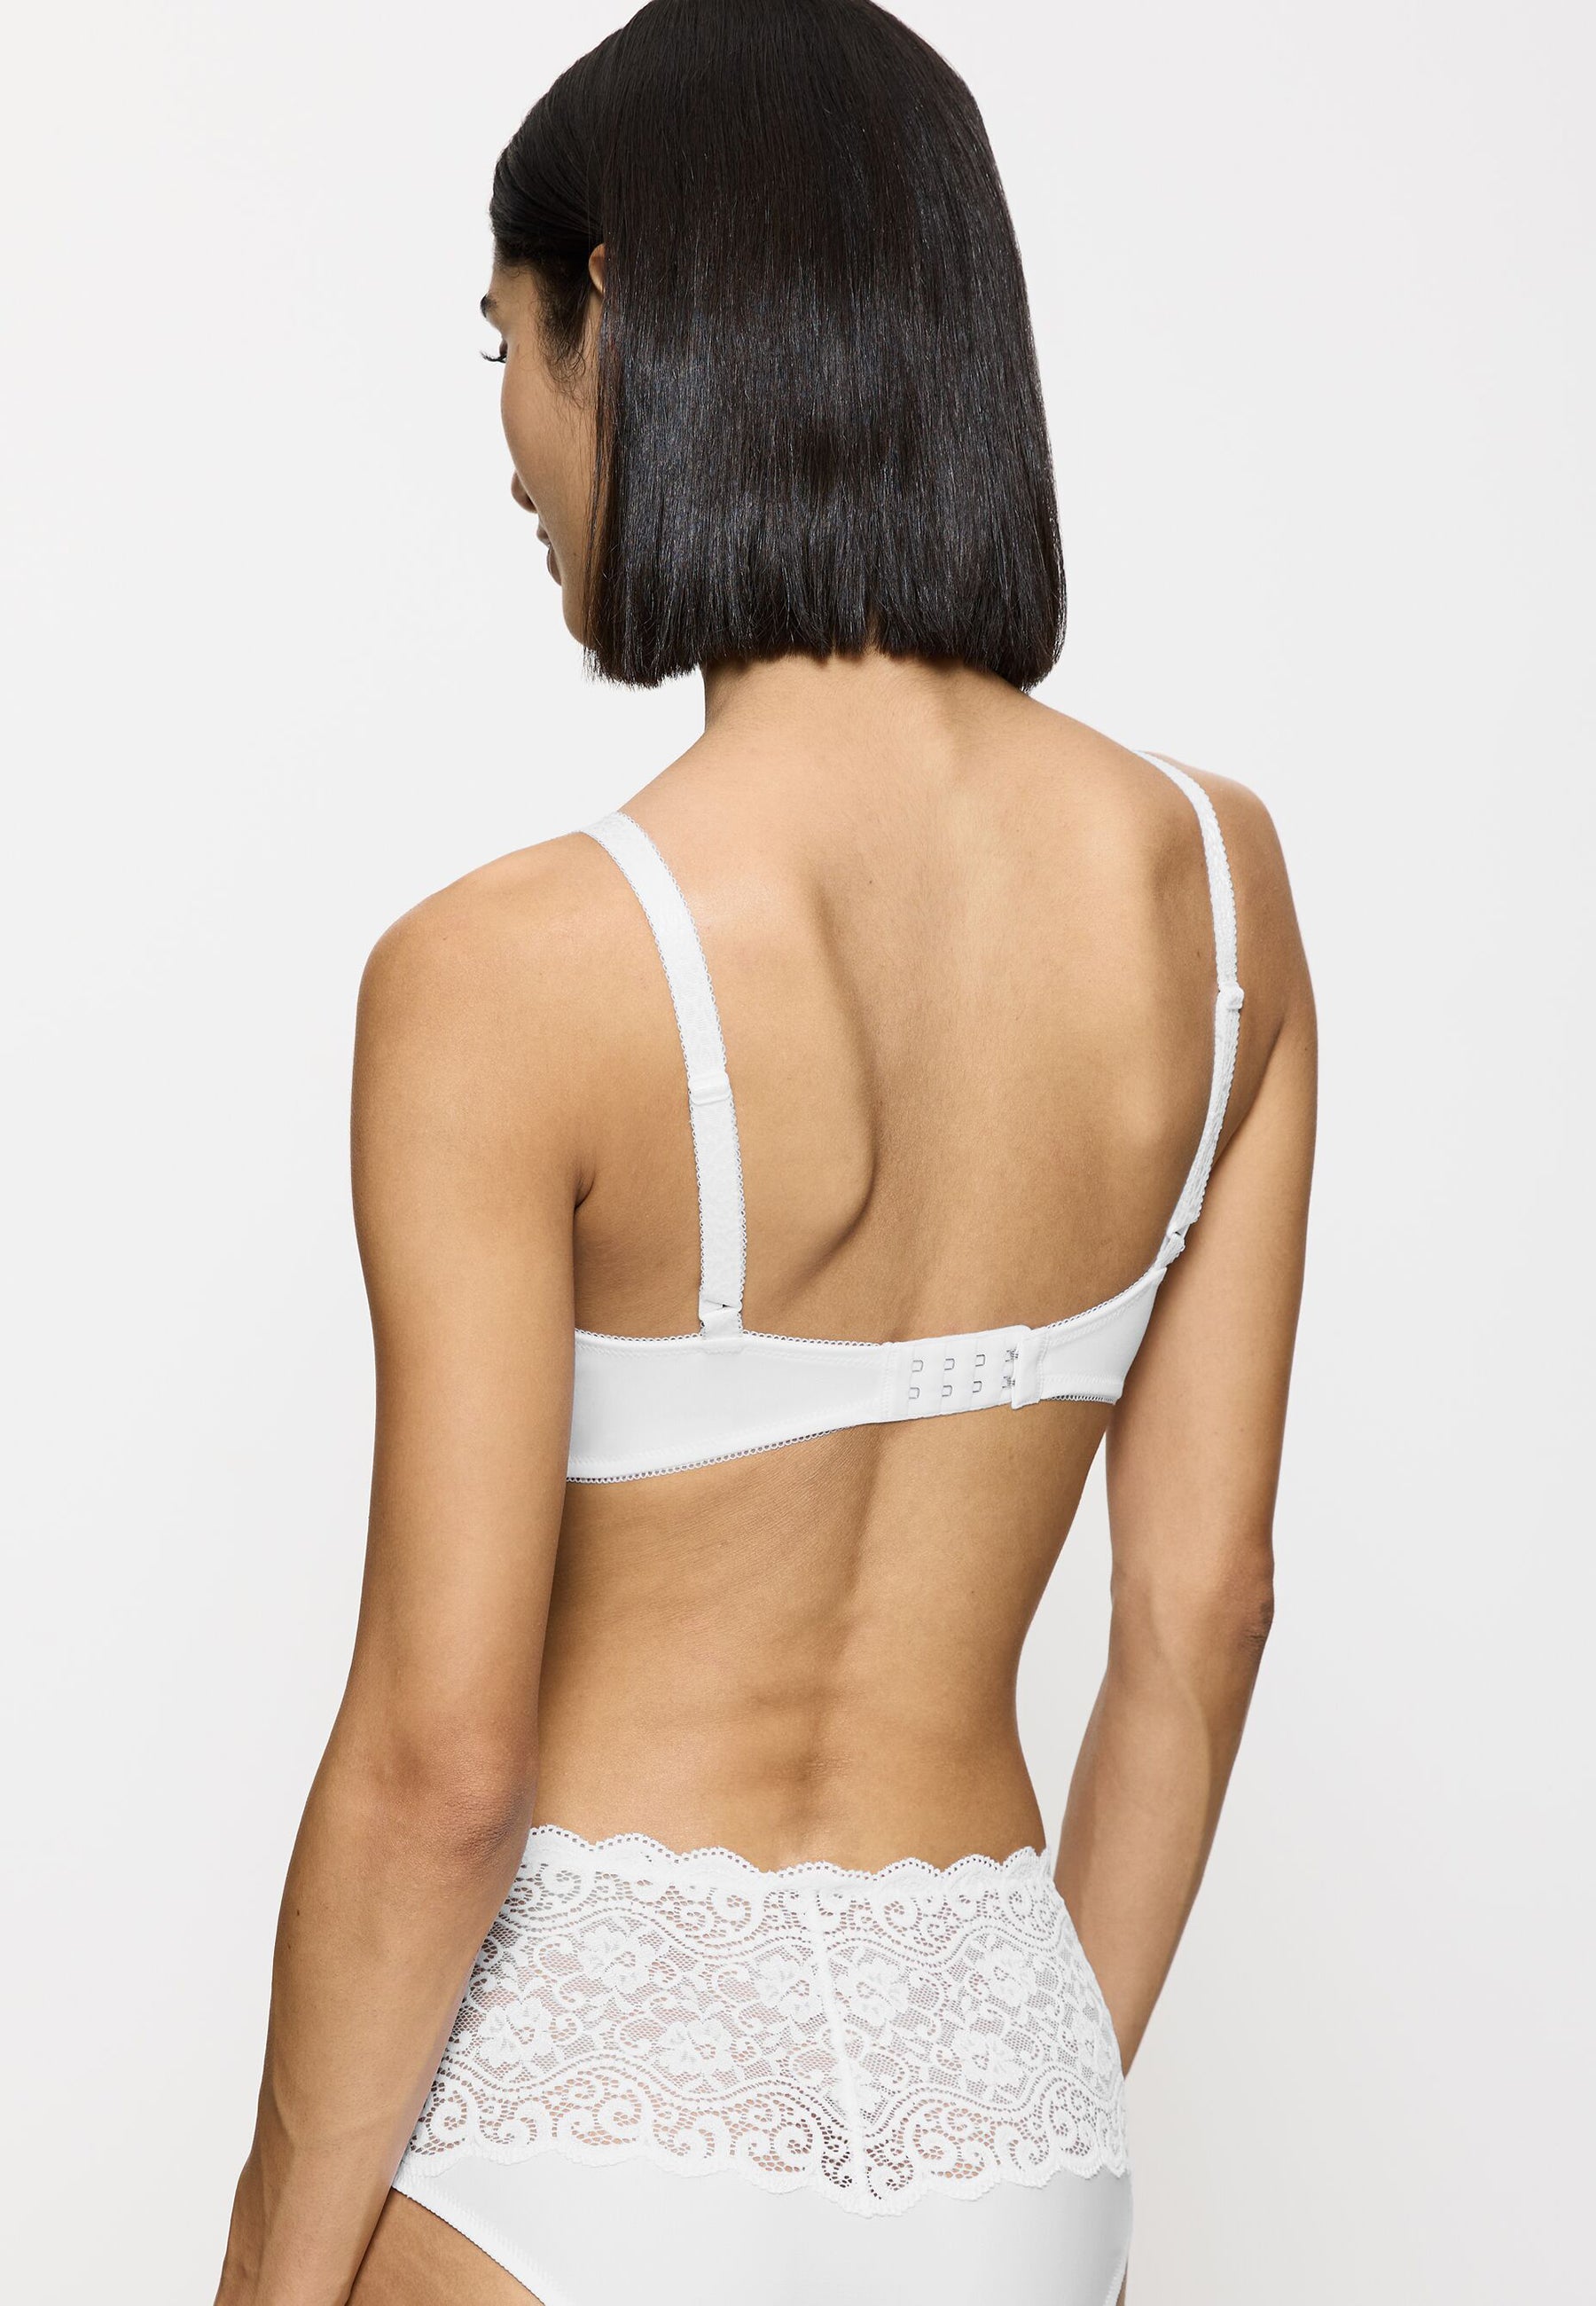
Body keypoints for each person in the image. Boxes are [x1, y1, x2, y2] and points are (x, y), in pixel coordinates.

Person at [215, 3, 1316, 2302]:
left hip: (574, 2128)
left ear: (616, 311)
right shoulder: (1217, 899)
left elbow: (438, 1765)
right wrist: (1023, 2123)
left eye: (506, 344)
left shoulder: (510, 972)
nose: (512, 447)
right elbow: (1203, 1610)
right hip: (1009, 2133)